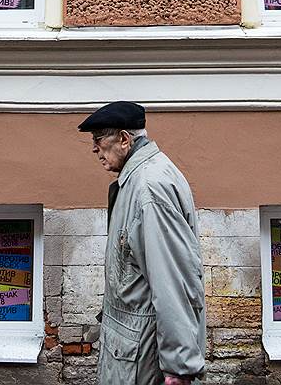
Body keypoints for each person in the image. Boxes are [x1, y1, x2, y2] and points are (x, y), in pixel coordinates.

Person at [79, 101, 206, 385]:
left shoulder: (149, 188)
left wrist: (178, 367)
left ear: (124, 139)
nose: (94, 149)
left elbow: (172, 279)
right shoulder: (137, 180)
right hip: (133, 353)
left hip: (142, 362)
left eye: (99, 139)